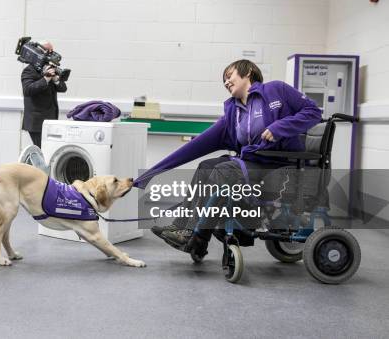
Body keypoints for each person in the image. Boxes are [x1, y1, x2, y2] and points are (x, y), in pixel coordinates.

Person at [134, 59, 322, 259]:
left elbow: (313, 112)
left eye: (229, 76)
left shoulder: (276, 90)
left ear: (247, 71)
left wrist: (279, 127)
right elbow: (193, 148)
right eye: (224, 80)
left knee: (223, 171)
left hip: (280, 164)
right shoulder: (233, 111)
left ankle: (196, 236)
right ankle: (185, 229)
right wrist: (150, 174)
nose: (226, 82)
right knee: (206, 166)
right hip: (252, 163)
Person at [21, 41, 67, 147]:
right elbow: (28, 90)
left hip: (50, 120)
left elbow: (63, 88)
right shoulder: (29, 70)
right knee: (42, 153)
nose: (50, 53)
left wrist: (55, 79)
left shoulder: (49, 67)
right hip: (36, 123)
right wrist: (45, 79)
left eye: (51, 51)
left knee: (49, 152)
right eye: (48, 51)